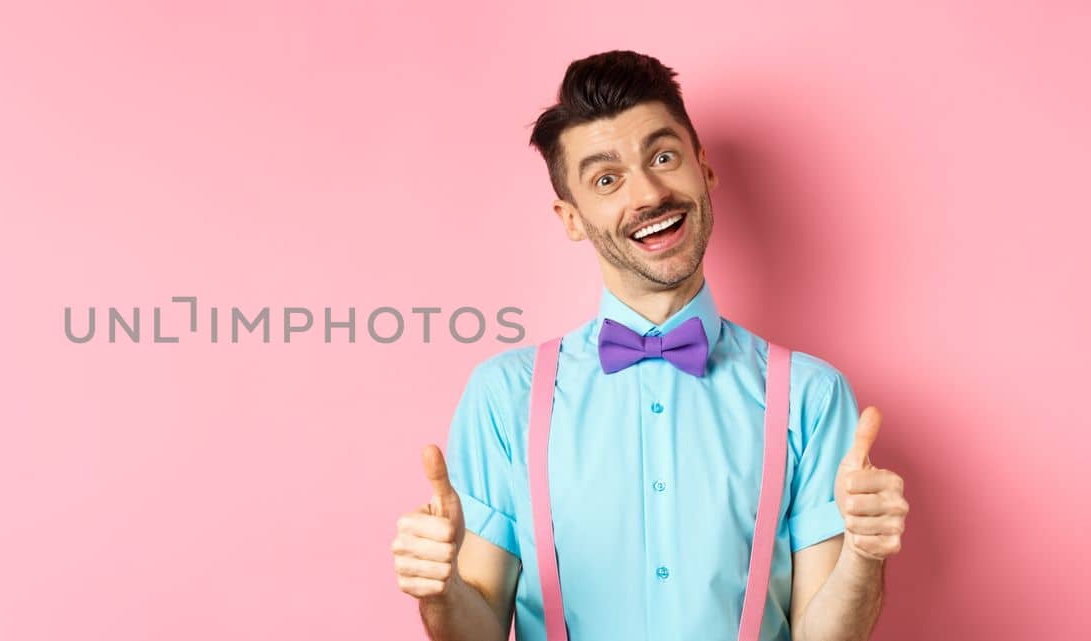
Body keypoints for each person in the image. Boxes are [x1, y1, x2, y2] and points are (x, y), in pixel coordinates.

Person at [389, 50, 909, 641]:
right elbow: (474, 632)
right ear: (572, 218)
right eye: (606, 179)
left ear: (703, 170)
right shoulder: (504, 395)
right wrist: (440, 592)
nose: (649, 195)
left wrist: (865, 558)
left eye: (663, 157)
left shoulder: (812, 397)